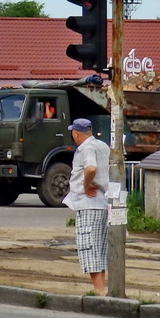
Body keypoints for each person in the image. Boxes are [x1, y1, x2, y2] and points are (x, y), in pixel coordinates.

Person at [62, 117, 111, 296]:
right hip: (104, 203)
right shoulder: (102, 146)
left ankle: (99, 291)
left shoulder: (86, 148)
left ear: (76, 133)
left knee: (89, 248)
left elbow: (91, 169)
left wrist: (85, 184)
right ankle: (102, 289)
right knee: (100, 248)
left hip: (89, 203)